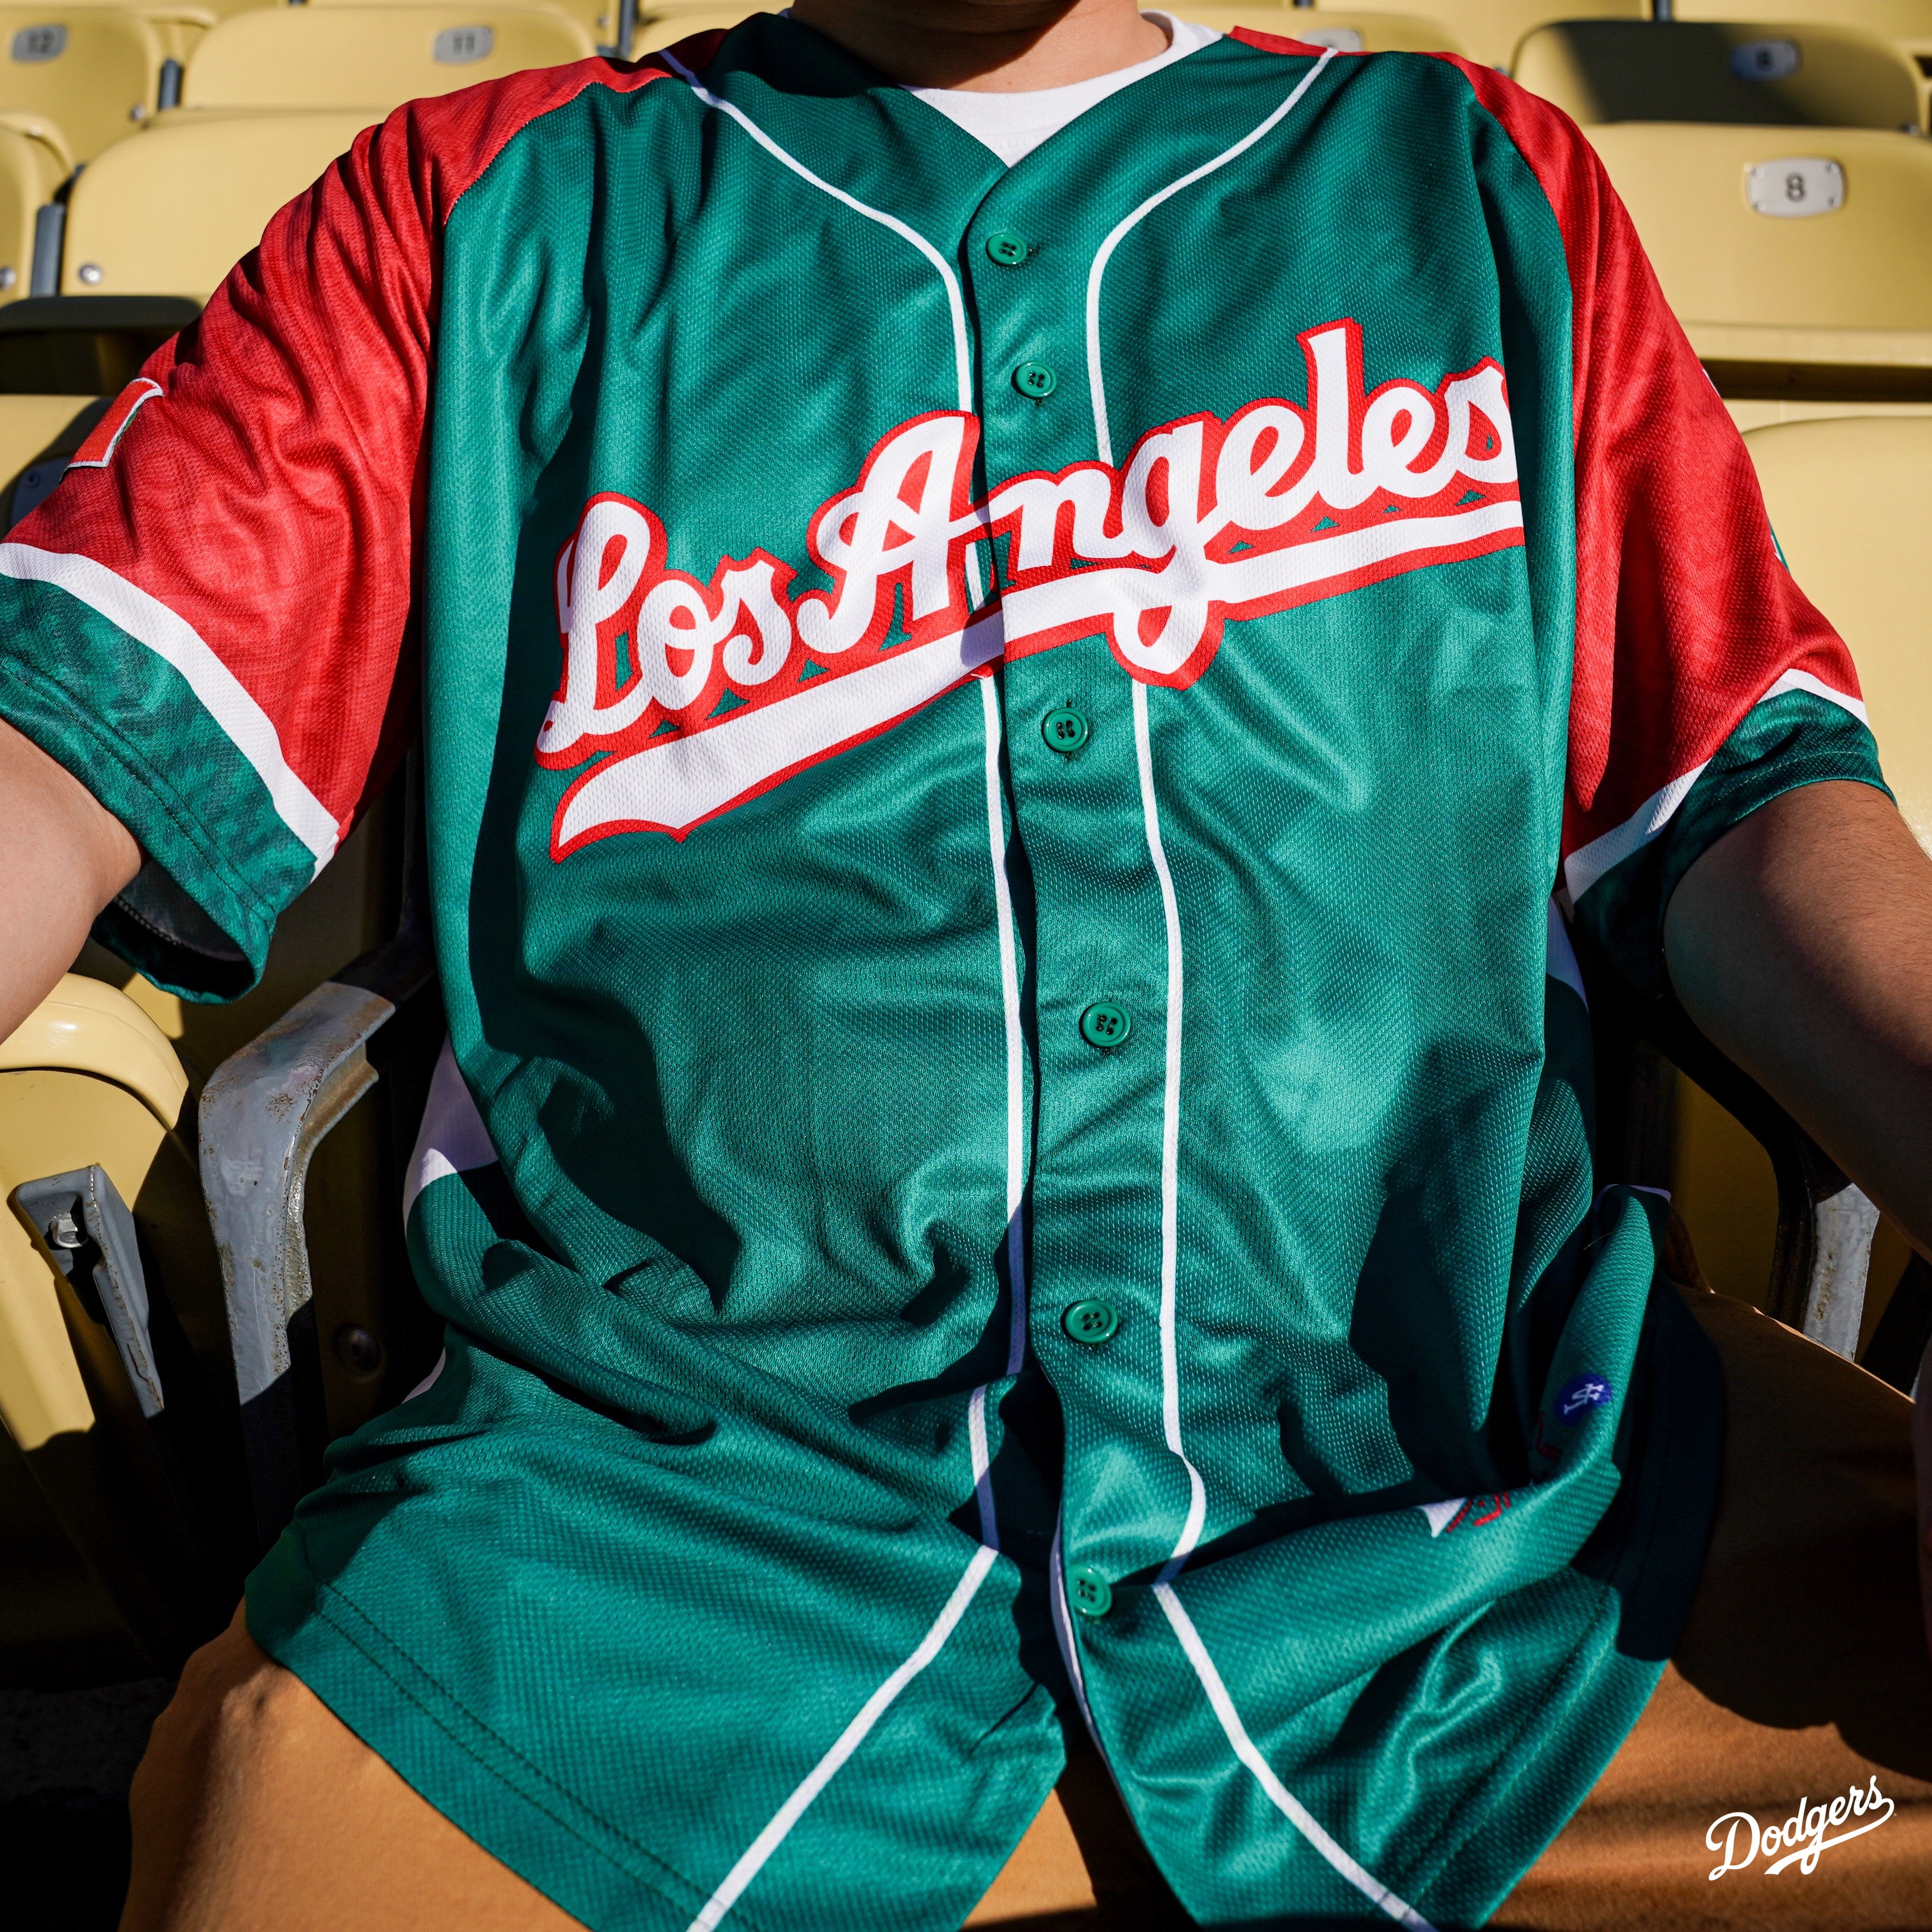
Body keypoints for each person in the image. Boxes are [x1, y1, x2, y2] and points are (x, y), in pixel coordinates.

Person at [0, 2, 1926, 1924]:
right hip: (656, 1545)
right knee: (270, 1835)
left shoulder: (1475, 177)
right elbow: (57, 750)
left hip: (1498, 1496)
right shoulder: (478, 205)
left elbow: (1738, 797)